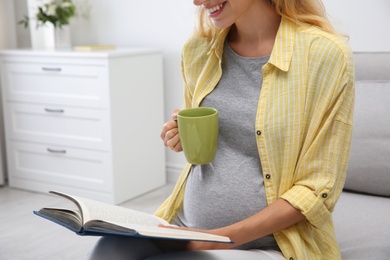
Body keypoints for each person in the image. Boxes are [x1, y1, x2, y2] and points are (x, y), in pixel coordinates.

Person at [88, 0, 355, 259]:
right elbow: (221, 146)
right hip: (185, 227)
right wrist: (182, 135)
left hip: (272, 242)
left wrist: (219, 239)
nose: (197, 2)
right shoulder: (198, 49)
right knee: (106, 251)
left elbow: (317, 188)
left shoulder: (325, 54)